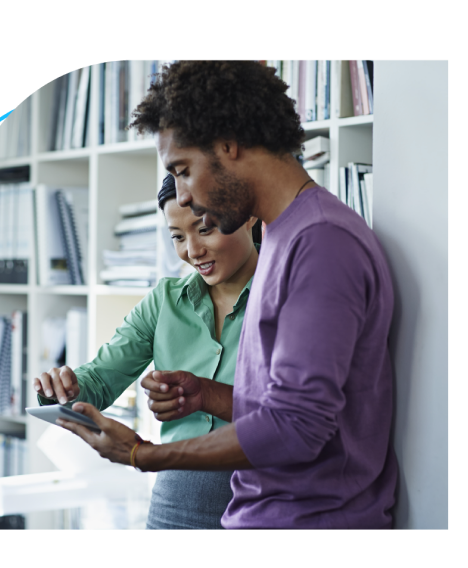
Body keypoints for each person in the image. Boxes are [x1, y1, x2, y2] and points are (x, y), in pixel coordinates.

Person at [57, 59, 399, 531]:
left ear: (227, 146)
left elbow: (298, 428)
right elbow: (289, 407)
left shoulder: (321, 242)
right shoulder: (286, 234)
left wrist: (144, 453)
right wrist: (209, 395)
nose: (182, 197)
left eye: (182, 170)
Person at [33, 173, 261, 530]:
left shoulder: (284, 296)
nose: (192, 251)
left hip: (261, 495)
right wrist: (68, 387)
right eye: (177, 237)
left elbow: (292, 412)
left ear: (249, 215)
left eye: (205, 229)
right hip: (174, 498)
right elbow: (102, 377)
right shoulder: (165, 301)